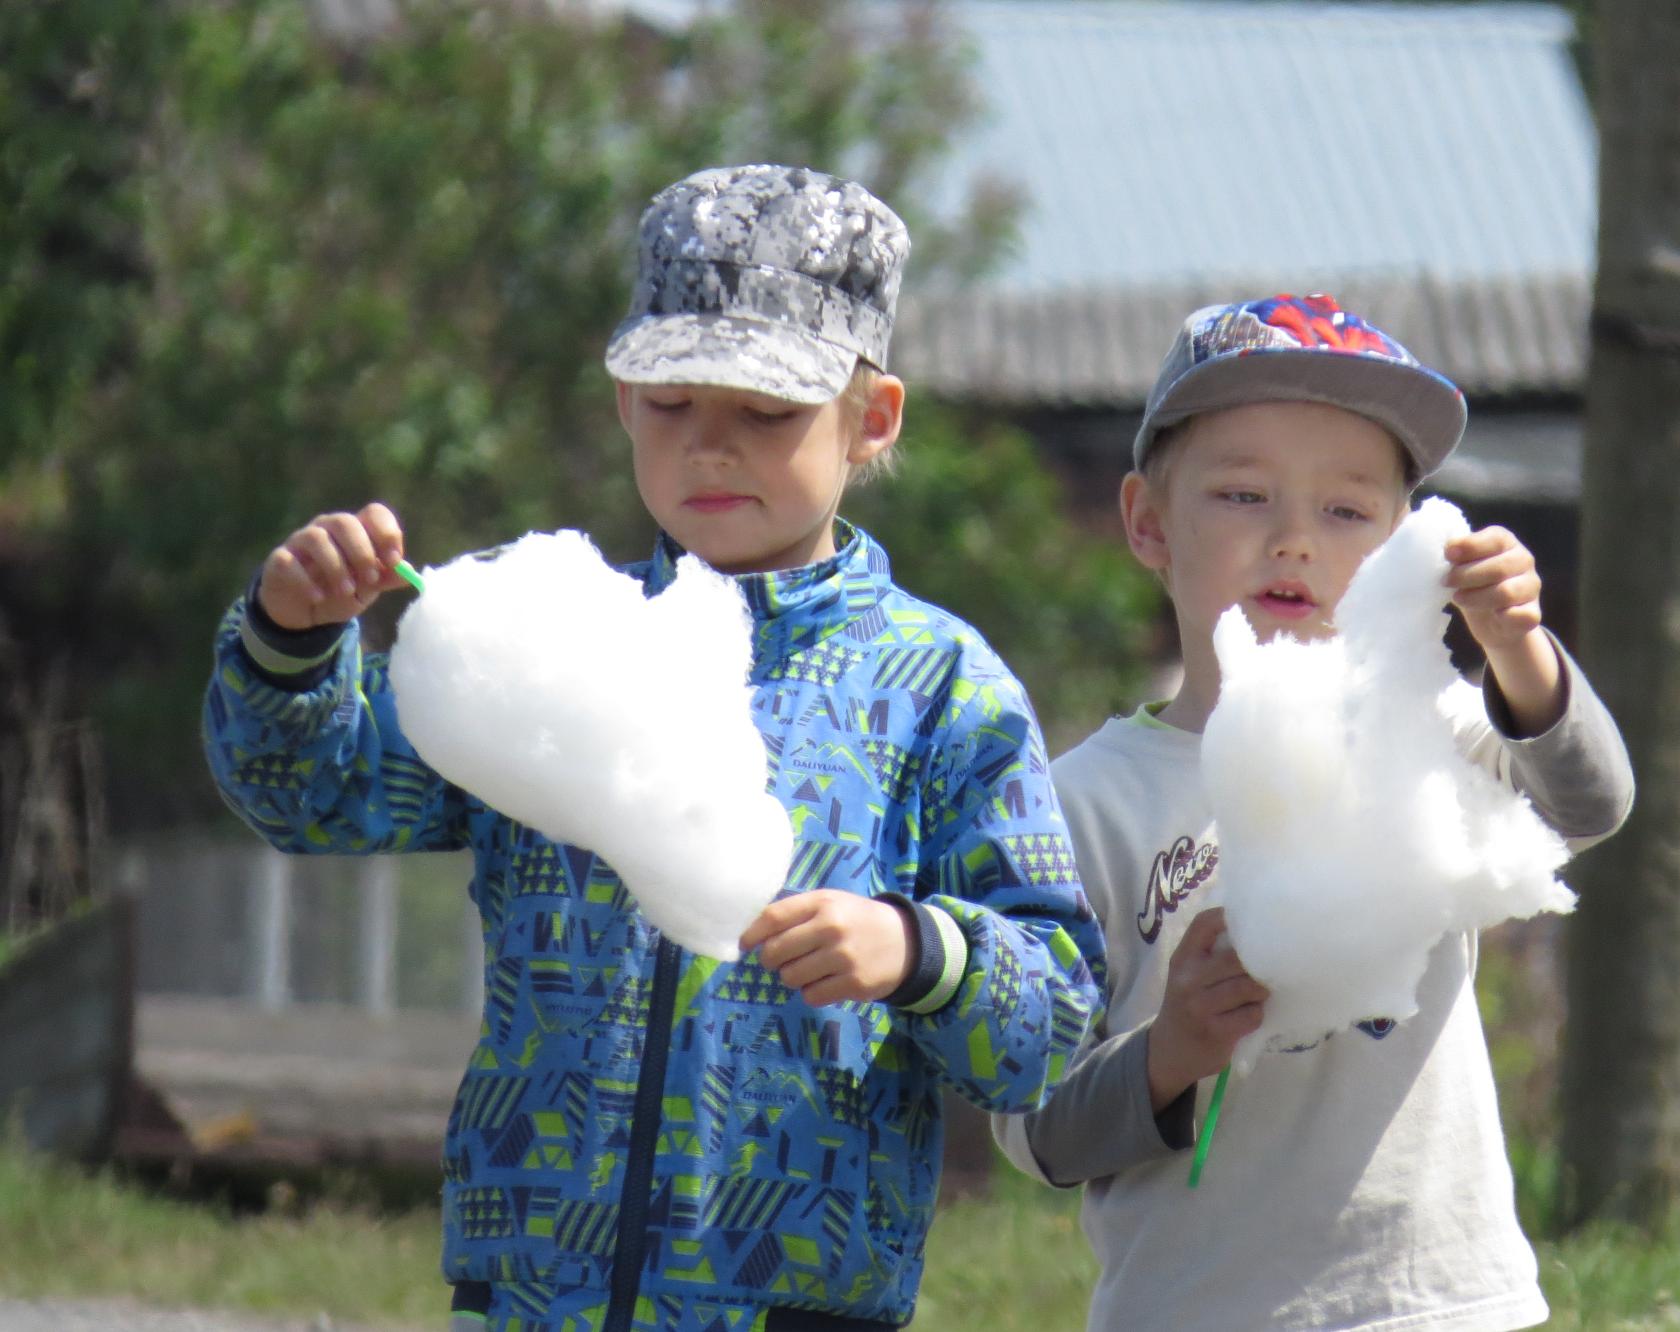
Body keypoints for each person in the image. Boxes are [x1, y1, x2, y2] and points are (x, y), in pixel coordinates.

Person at [203, 164, 1104, 1332]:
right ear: (624, 403)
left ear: (871, 419)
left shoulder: (941, 686)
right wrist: (290, 642)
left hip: (793, 1308)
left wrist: (918, 951)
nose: (709, 450)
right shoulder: (542, 642)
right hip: (533, 1296)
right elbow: (315, 797)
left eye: (765, 414)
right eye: (672, 404)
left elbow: (1049, 1026)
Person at [993, 293, 1635, 1332]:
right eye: (1243, 495)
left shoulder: (1431, 732)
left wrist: (1518, 648)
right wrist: (1172, 1049)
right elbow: (1035, 1131)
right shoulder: (1085, 805)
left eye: (1346, 512)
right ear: (1148, 523)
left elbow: (1590, 804)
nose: (1294, 539)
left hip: (1437, 1302)